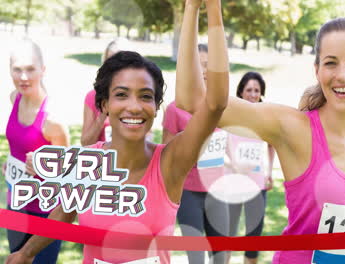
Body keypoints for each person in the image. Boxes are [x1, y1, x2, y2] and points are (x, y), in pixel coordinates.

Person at [5, 0, 228, 263]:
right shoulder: (88, 162)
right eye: (121, 95)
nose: (134, 106)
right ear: (104, 105)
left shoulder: (171, 162)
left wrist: (202, 8)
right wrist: (26, 253)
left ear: (156, 107)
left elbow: (214, 104)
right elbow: (65, 212)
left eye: (145, 96)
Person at [176, 17, 345, 263]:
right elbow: (192, 99)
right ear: (317, 70)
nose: (342, 75)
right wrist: (197, 8)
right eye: (331, 63)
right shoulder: (294, 128)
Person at [161, 36, 229, 264]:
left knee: (222, 256)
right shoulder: (175, 109)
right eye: (198, 64)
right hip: (188, 192)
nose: (204, 70)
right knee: (196, 259)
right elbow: (167, 159)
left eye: (208, 64)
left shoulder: (223, 107)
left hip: (218, 191)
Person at [4, 38, 70, 264]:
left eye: (30, 69)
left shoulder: (52, 120)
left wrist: (44, 167)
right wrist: (11, 163)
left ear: (43, 70)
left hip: (44, 213)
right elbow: (19, 146)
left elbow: (67, 176)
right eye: (17, 69)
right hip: (16, 204)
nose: (23, 77)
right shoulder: (15, 99)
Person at [225, 71, 275, 264]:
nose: (253, 94)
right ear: (241, 92)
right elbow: (219, 147)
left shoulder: (265, 118)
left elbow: (272, 144)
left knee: (253, 236)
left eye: (257, 90)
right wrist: (233, 165)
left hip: (257, 185)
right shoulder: (229, 116)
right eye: (249, 90)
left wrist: (269, 172)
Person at [81, 38, 131, 146]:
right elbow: (85, 144)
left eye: (121, 62)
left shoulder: (137, 97)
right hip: (102, 160)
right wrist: (103, 114)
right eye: (110, 61)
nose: (115, 67)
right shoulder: (93, 96)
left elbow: (147, 140)